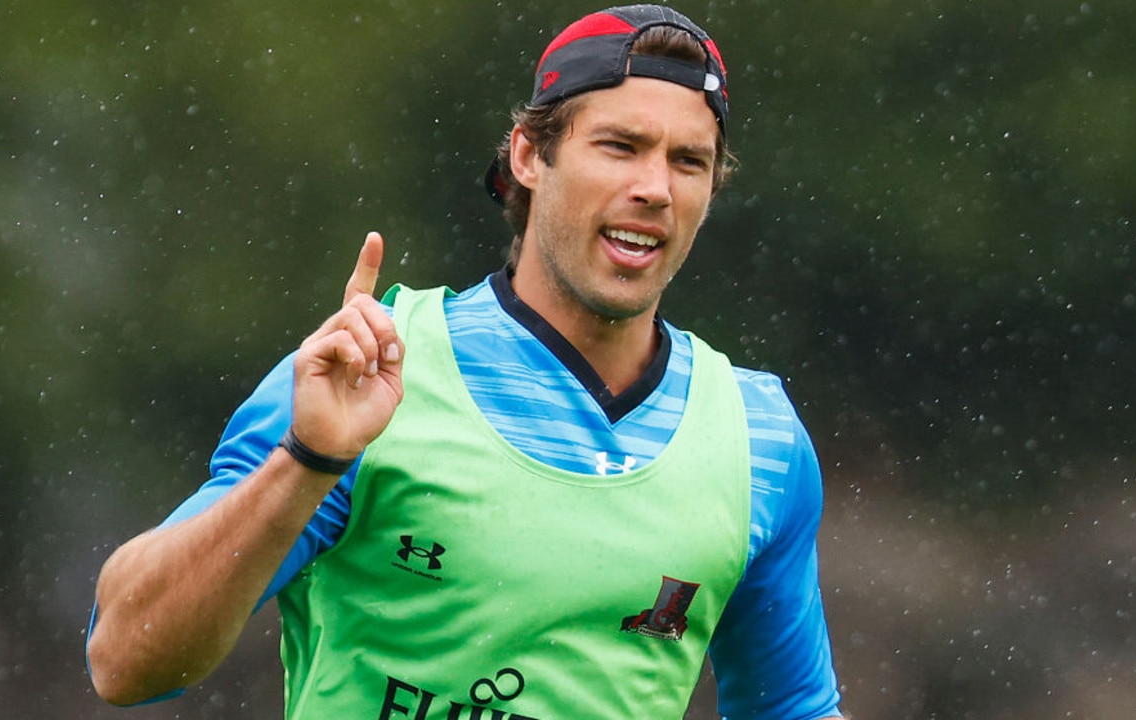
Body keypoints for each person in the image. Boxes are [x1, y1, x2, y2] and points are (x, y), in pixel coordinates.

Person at [86, 5, 843, 719]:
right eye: (620, 146)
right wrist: (308, 459)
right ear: (528, 155)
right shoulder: (367, 370)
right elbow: (125, 660)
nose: (653, 188)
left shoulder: (759, 440)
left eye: (689, 161)